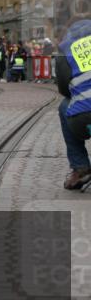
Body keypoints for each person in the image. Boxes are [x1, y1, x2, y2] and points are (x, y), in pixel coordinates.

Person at [56, 19, 91, 190]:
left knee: (64, 106)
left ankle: (80, 168)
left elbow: (64, 89)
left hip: (82, 121)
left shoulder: (66, 48)